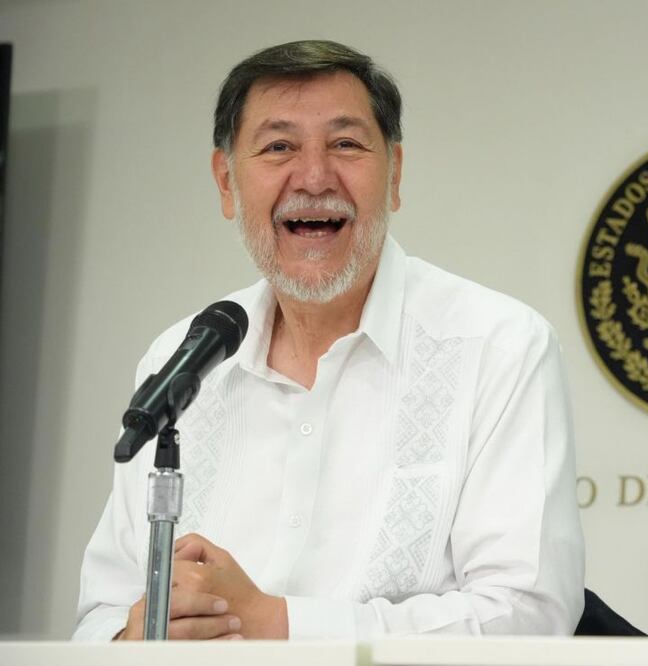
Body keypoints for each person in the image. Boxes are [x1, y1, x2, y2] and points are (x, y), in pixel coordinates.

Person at [73, 40, 584, 641]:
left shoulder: (498, 346)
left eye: (345, 144)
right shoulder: (180, 360)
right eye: (278, 147)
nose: (314, 178)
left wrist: (279, 625)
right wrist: (135, 637)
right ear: (226, 182)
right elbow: (99, 614)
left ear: (394, 174)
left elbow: (528, 613)